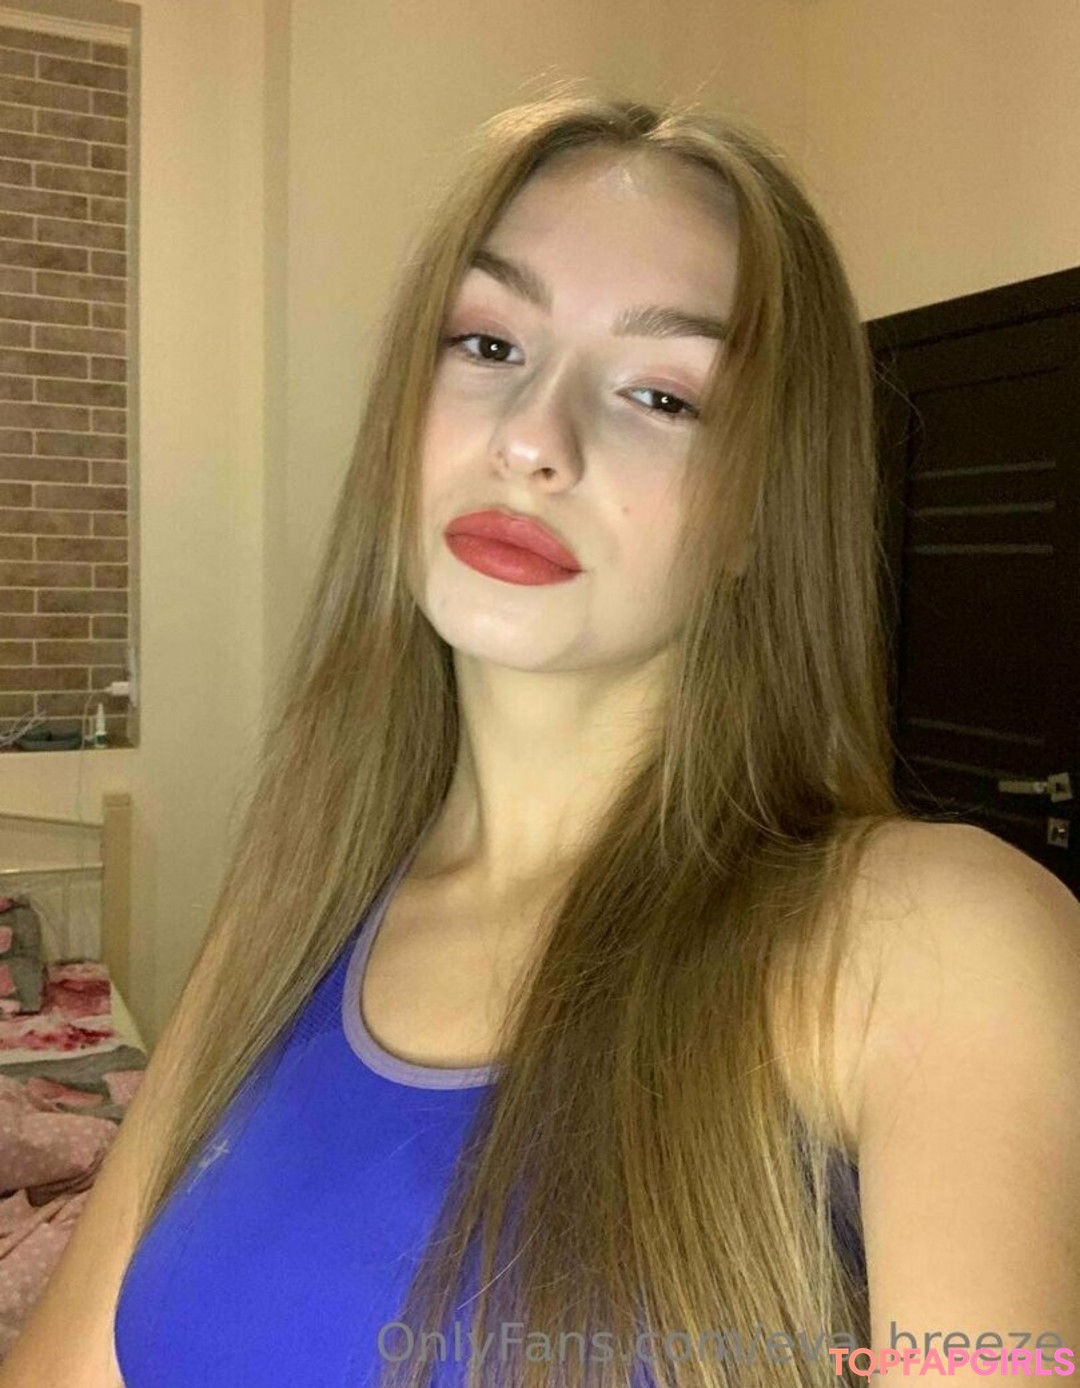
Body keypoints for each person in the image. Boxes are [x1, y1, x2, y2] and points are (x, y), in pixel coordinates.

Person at [3, 89, 1077, 1388]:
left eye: (663, 396)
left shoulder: (937, 945)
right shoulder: (293, 907)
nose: (532, 441)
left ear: (762, 512)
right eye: (488, 342)